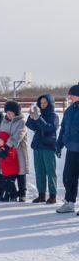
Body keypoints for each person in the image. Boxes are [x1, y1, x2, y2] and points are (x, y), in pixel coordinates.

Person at [26, 94, 59, 204]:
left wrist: (37, 118)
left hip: (48, 147)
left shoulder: (54, 116)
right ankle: (41, 195)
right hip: (37, 147)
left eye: (45, 103)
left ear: (50, 103)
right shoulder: (40, 115)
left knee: (50, 171)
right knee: (39, 171)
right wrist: (31, 117)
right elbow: (31, 126)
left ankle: (52, 195)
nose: (43, 105)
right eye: (41, 103)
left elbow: (49, 128)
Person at [0, 101, 29, 202]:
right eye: (7, 112)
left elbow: (18, 135)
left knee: (20, 173)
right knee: (9, 173)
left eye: (10, 112)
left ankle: (22, 193)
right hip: (7, 153)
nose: (8, 114)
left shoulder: (21, 121)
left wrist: (7, 146)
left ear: (15, 112)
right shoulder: (4, 122)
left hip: (18, 151)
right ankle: (12, 193)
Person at [55, 85, 79, 214]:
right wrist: (59, 145)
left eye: (72, 94)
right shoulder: (69, 110)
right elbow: (63, 129)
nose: (69, 97)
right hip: (72, 149)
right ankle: (70, 202)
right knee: (68, 177)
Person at [0, 131, 20, 202]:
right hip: (5, 170)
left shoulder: (10, 148)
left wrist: (5, 156)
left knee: (10, 183)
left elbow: (12, 159)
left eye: (1, 141)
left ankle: (7, 195)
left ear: (5, 140)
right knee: (7, 183)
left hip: (12, 170)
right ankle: (14, 195)